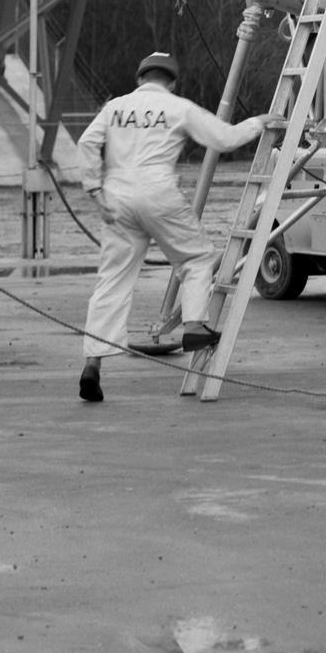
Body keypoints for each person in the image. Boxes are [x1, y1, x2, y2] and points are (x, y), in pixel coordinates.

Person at [76, 52, 269, 402]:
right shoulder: (179, 107)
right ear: (172, 81)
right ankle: (195, 324)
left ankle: (93, 364)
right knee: (196, 258)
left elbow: (87, 144)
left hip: (116, 198)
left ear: (140, 78)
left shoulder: (114, 107)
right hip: (159, 193)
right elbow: (223, 139)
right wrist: (259, 122)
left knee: (112, 281)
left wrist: (95, 191)